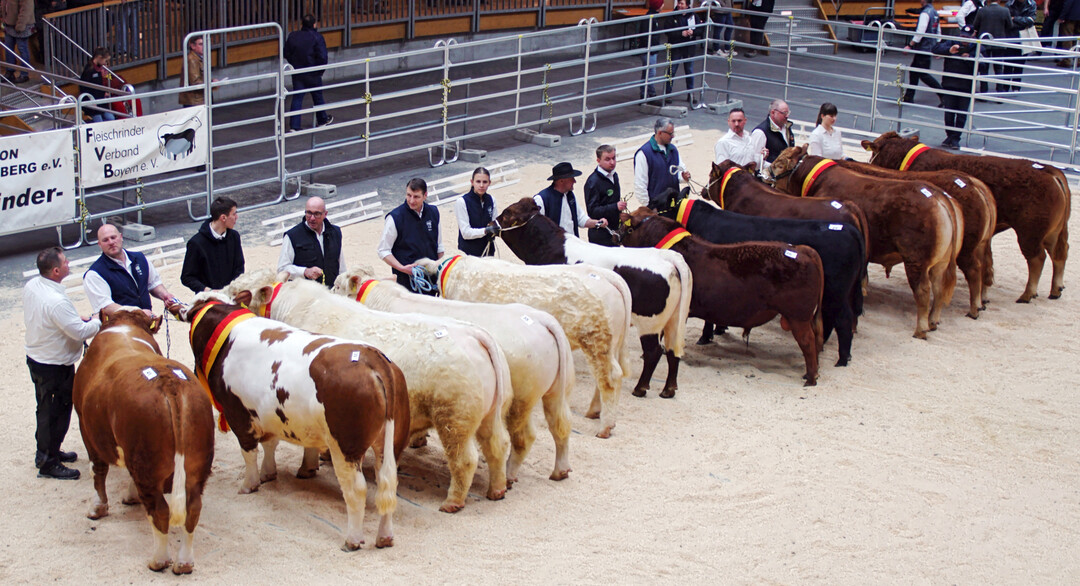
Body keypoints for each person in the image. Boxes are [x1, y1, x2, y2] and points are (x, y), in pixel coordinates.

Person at [24, 247, 101, 480]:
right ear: (56, 271)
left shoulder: (33, 285)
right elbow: (79, 332)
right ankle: (48, 463)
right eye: (65, 262)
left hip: (39, 357)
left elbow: (56, 319)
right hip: (54, 364)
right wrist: (98, 321)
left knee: (46, 408)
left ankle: (48, 452)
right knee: (55, 413)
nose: (69, 263)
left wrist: (75, 319)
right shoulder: (56, 301)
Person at [84, 224, 180, 317]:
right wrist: (138, 313)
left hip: (146, 321)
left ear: (121, 237)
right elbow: (106, 307)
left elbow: (153, 283)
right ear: (100, 244)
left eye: (113, 237)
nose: (111, 242)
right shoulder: (94, 274)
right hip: (119, 325)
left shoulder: (140, 258)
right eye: (105, 240)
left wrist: (165, 295)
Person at [378, 177, 444, 293]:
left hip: (431, 278)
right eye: (409, 195)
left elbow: (439, 245)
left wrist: (440, 269)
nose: (411, 200)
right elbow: (383, 251)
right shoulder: (395, 218)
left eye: (416, 197)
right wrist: (402, 268)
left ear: (425, 195)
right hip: (407, 281)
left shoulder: (434, 212)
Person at [180, 196, 245, 293]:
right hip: (208, 297)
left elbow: (239, 268)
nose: (237, 217)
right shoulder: (196, 243)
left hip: (231, 294)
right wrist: (209, 291)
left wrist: (230, 289)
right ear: (223, 218)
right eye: (234, 214)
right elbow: (187, 277)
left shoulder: (234, 236)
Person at [278, 196, 345, 288]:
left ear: (325, 214)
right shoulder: (292, 236)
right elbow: (282, 269)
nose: (312, 218)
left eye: (317, 214)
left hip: (331, 292)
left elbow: (341, 266)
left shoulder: (335, 232)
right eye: (309, 213)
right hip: (304, 293)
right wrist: (304, 271)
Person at [284, 13, 334, 132]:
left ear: (302, 24)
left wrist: (294, 64)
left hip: (298, 71)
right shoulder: (317, 37)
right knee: (317, 96)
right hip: (313, 72)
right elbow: (322, 57)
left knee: (297, 98)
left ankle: (294, 126)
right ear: (314, 24)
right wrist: (319, 71)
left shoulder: (293, 36)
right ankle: (322, 120)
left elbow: (286, 53)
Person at [932, 25, 978, 149]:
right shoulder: (952, 42)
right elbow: (935, 48)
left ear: (972, 36)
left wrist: (970, 59)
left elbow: (984, 65)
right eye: (962, 36)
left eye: (967, 37)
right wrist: (949, 50)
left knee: (961, 114)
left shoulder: (977, 47)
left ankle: (955, 137)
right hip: (950, 83)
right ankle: (950, 136)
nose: (964, 40)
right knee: (949, 112)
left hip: (966, 85)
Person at [534, 162, 607, 237]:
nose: (574, 181)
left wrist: (598, 223)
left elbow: (581, 219)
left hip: (571, 243)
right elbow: (536, 229)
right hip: (554, 244)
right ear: (561, 181)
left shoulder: (570, 196)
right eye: (571, 178)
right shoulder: (541, 199)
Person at [634, 117, 691, 207]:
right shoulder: (643, 154)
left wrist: (684, 177)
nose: (673, 136)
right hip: (656, 207)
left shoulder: (673, 150)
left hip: (674, 204)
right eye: (670, 134)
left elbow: (679, 172)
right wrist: (649, 206)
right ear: (660, 133)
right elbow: (640, 184)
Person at [902, 0, 945, 106]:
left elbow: (920, 32)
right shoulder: (934, 12)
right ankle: (909, 96)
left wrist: (910, 45)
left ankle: (943, 95)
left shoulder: (925, 13)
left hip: (923, 47)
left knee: (923, 74)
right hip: (929, 46)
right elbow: (938, 31)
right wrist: (937, 45)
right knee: (914, 70)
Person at [583, 145, 626, 247]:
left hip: (615, 229)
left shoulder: (614, 175)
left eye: (614, 158)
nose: (612, 162)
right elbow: (592, 211)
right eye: (607, 159)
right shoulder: (593, 182)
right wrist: (615, 207)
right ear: (598, 160)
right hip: (600, 234)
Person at [454, 167, 498, 256]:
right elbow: (465, 233)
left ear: (489, 183)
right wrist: (485, 231)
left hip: (488, 252)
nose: (481, 185)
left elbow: (494, 225)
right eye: (478, 181)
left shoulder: (492, 200)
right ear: (472, 182)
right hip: (469, 255)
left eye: (485, 182)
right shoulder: (462, 202)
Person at [973, 0, 1015, 92]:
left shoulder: (982, 11)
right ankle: (1000, 89)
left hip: (984, 42)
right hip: (999, 42)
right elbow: (1010, 26)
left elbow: (975, 25)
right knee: (998, 67)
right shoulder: (1005, 11)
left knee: (984, 67)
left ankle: (984, 90)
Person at [664, 0, 699, 104]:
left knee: (689, 71)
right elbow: (667, 31)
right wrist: (681, 33)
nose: (679, 5)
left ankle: (690, 94)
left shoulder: (693, 15)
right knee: (672, 70)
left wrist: (693, 32)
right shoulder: (672, 16)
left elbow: (701, 29)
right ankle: (668, 94)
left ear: (687, 5)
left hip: (689, 47)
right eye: (678, 3)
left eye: (682, 3)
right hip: (676, 47)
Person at [749, 99, 794, 167]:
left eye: (788, 113)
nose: (787, 116)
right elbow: (754, 161)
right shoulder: (760, 132)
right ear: (773, 112)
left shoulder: (787, 128)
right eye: (784, 113)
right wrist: (774, 168)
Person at [1004, 0, 1037, 89]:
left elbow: (1031, 21)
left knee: (1020, 65)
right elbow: (1008, 21)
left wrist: (1015, 19)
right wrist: (1022, 22)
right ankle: (1005, 87)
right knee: (1008, 65)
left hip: (1023, 38)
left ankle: (1016, 87)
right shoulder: (1009, 4)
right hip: (1011, 37)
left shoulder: (1031, 4)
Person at [639, 0, 667, 104]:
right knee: (651, 72)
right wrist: (651, 48)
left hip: (650, 48)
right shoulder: (650, 18)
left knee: (647, 72)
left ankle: (644, 94)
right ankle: (651, 95)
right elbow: (646, 36)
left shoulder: (652, 16)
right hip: (649, 49)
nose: (663, 5)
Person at [78, 47, 115, 123]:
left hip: (100, 101)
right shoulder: (89, 70)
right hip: (92, 102)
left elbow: (104, 82)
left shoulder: (100, 69)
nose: (105, 63)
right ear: (99, 57)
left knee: (111, 118)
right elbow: (83, 87)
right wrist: (90, 100)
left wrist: (104, 93)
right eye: (105, 60)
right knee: (99, 121)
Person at [178, 36, 217, 107]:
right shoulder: (192, 60)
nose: (204, 47)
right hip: (196, 100)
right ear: (193, 46)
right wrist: (211, 83)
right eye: (201, 44)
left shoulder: (198, 58)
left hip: (198, 99)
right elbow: (195, 82)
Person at [2, 0, 33, 83]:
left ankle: (24, 74)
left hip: (22, 25)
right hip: (9, 24)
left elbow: (26, 9)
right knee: (8, 48)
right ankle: (10, 72)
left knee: (22, 49)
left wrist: (20, 25)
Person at [1057, 0, 1080, 67]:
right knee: (1078, 39)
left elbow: (1068, 3)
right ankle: (1078, 60)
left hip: (1070, 16)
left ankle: (1066, 60)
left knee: (1067, 39)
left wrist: (1062, 16)